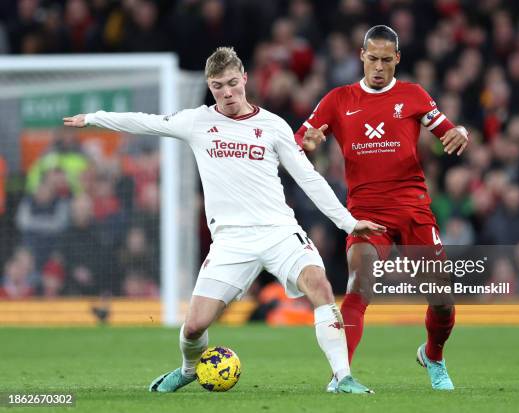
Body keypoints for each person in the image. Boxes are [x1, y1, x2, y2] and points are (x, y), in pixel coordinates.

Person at [63, 46, 385, 394]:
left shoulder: (273, 126)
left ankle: (343, 376)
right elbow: (146, 121)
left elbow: (308, 178)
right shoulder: (197, 122)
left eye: (232, 83)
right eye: (218, 86)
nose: (227, 93)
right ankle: (188, 369)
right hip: (231, 241)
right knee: (192, 328)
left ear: (245, 78)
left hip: (280, 231)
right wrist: (94, 117)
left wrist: (348, 223)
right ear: (209, 85)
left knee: (319, 286)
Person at [294, 25, 470, 391]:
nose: (378, 67)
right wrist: (305, 142)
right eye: (372, 58)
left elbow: (448, 134)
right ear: (361, 56)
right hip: (365, 213)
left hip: (413, 209)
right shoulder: (338, 99)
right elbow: (297, 141)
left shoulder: (414, 96)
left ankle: (433, 356)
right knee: (359, 282)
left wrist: (462, 133)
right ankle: (341, 376)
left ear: (397, 60)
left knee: (441, 300)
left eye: (386, 60)